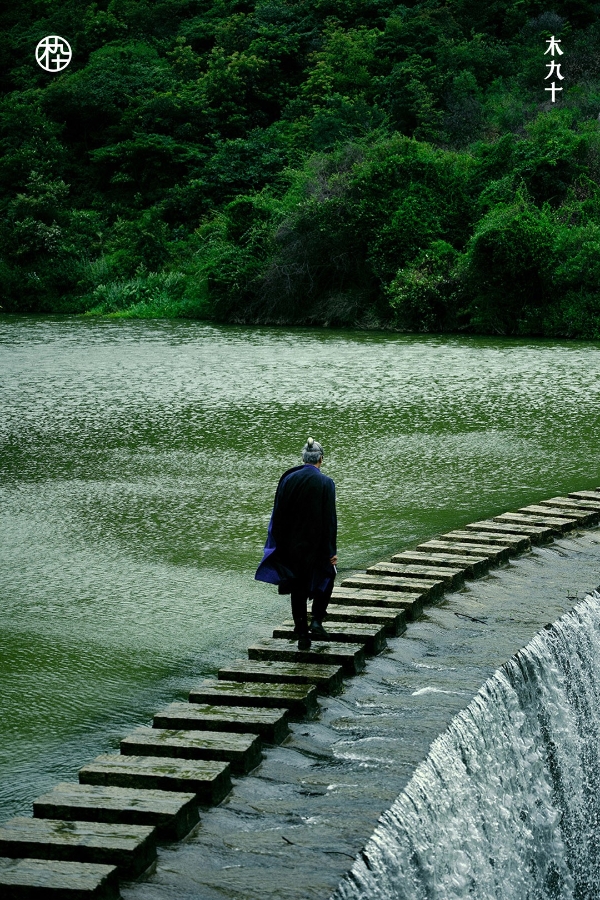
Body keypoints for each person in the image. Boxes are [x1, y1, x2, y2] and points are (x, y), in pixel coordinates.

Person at [255, 438, 338, 650]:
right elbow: (330, 520)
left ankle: (302, 633)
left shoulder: (288, 480)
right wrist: (331, 551)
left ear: (303, 458)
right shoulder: (326, 483)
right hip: (317, 546)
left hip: (292, 547)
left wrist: (278, 544)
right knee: (328, 576)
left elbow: (278, 514)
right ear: (321, 459)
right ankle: (317, 620)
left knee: (298, 588)